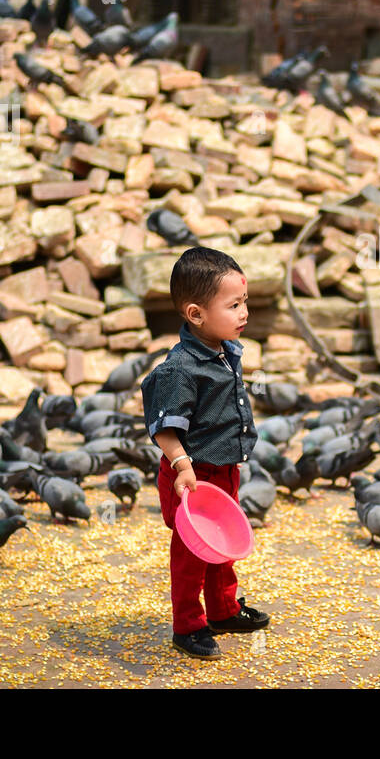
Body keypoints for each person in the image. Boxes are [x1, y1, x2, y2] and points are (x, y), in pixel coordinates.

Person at [142, 246, 269, 660]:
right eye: (233, 305)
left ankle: (222, 609)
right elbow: (164, 427)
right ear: (196, 314)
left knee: (224, 545)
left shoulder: (223, 348)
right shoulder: (180, 369)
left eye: (244, 301)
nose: (244, 312)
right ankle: (188, 625)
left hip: (223, 470)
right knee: (192, 554)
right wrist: (181, 465)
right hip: (192, 478)